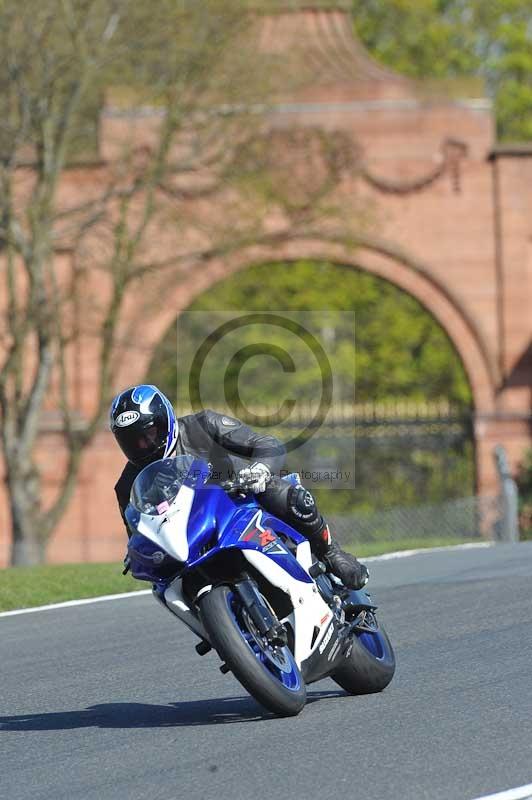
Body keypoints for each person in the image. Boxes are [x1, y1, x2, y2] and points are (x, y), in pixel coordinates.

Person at [110, 384, 369, 590]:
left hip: (238, 500)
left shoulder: (202, 426)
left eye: (149, 435)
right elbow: (138, 530)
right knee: (164, 582)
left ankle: (332, 553)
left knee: (279, 491)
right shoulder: (127, 485)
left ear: (165, 422)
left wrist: (260, 469)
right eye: (132, 442)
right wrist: (136, 552)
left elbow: (265, 443)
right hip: (192, 534)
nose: (143, 445)